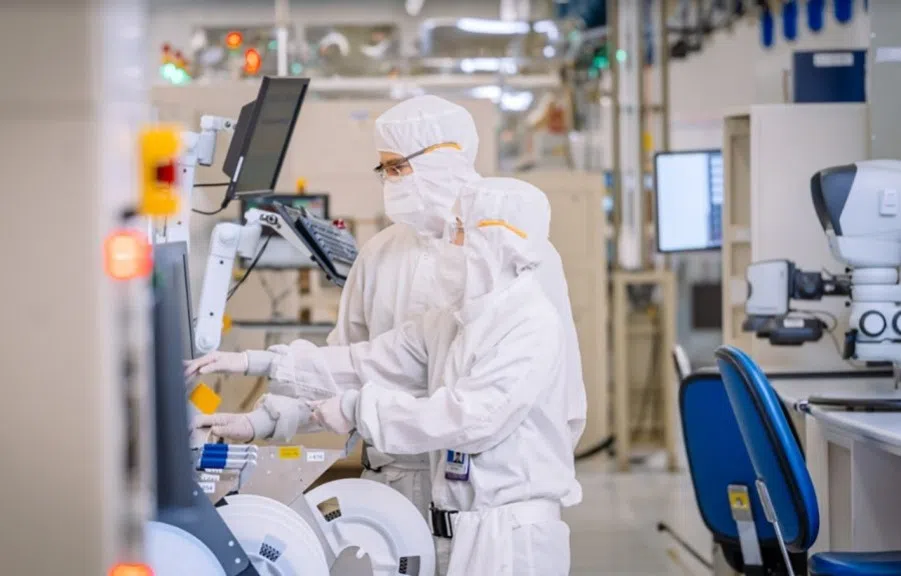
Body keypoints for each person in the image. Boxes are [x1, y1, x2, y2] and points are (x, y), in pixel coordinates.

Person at [195, 180, 580, 576]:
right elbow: (364, 364)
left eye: (459, 230)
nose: (448, 243)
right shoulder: (452, 322)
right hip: (458, 530)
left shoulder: (529, 323)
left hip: (511, 539)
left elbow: (470, 418)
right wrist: (255, 367)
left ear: (499, 240)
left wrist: (356, 408)